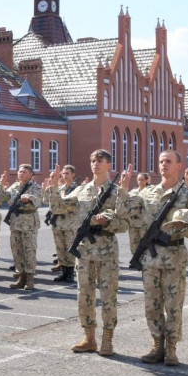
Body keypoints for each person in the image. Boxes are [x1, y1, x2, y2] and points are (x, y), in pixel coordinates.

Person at [44, 150, 127, 356]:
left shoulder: (117, 192)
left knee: (108, 296)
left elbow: (125, 224)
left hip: (106, 251)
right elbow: (59, 208)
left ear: (108, 164)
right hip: (84, 251)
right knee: (84, 296)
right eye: (92, 160)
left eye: (100, 161)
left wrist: (106, 221)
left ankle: (107, 339)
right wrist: (53, 188)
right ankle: (89, 338)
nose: (95, 164)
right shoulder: (82, 190)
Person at [122, 151, 188, 366]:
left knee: (174, 305)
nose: (164, 165)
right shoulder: (147, 193)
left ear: (179, 165)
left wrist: (181, 226)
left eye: (168, 161)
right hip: (151, 258)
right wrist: (123, 189)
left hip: (174, 257)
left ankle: (171, 348)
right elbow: (127, 215)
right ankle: (157, 345)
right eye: (161, 162)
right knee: (152, 305)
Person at [0, 164, 42, 290]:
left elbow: (38, 201)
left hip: (28, 222)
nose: (21, 174)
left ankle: (30, 279)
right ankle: (21, 276)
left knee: (29, 250)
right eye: (20, 171)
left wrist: (28, 198)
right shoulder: (14, 186)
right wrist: (1, 185)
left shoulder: (34, 187)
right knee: (16, 250)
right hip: (15, 223)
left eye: (24, 172)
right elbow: (2, 197)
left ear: (31, 174)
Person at [50, 165, 79, 283]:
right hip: (58, 223)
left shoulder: (77, 189)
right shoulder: (60, 188)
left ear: (73, 175)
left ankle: (70, 273)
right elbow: (51, 204)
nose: (64, 175)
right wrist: (53, 186)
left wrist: (58, 204)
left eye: (67, 173)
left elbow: (65, 205)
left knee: (69, 248)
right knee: (60, 248)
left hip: (70, 224)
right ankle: (64, 272)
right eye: (63, 173)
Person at [127, 172, 152, 255]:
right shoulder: (133, 192)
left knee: (145, 244)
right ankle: (135, 258)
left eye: (142, 180)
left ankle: (145, 259)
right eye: (138, 180)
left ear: (146, 180)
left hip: (145, 224)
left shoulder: (151, 191)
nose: (140, 182)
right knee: (133, 244)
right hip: (133, 223)